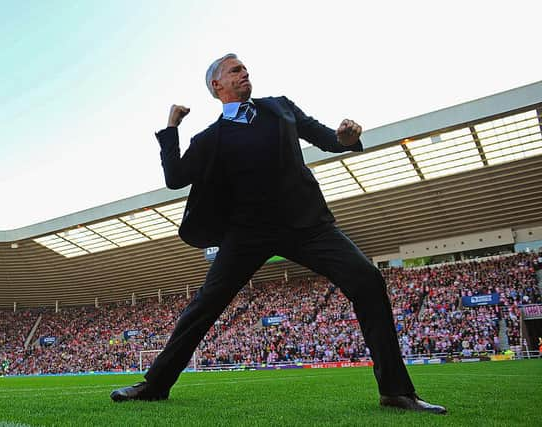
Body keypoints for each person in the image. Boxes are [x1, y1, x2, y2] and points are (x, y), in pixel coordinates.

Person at [111, 53, 446, 414]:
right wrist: (172, 127)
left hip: (307, 225)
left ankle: (396, 391)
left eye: (245, 68)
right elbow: (175, 178)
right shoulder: (211, 138)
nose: (245, 73)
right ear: (217, 85)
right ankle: (156, 384)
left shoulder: (279, 107)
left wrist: (347, 138)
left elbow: (327, 138)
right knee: (203, 306)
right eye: (235, 70)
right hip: (246, 233)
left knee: (367, 280)